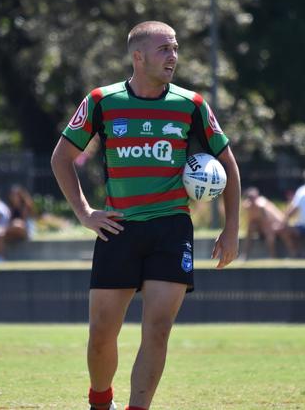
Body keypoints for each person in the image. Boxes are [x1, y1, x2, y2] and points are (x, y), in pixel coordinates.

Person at [50, 21, 241, 410]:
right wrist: (85, 213)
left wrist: (231, 229)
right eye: (163, 49)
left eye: (175, 48)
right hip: (117, 228)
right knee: (102, 332)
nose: (173, 56)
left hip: (171, 228)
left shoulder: (192, 105)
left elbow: (229, 166)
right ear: (138, 57)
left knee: (157, 329)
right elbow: (62, 158)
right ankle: (100, 401)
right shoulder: (102, 100)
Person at [240, 187, 285, 260]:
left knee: (269, 235)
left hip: (273, 224)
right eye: (250, 198)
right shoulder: (247, 206)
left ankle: (273, 256)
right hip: (262, 225)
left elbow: (268, 222)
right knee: (250, 230)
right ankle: (245, 255)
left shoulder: (262, 206)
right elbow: (251, 221)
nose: (251, 200)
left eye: (253, 198)